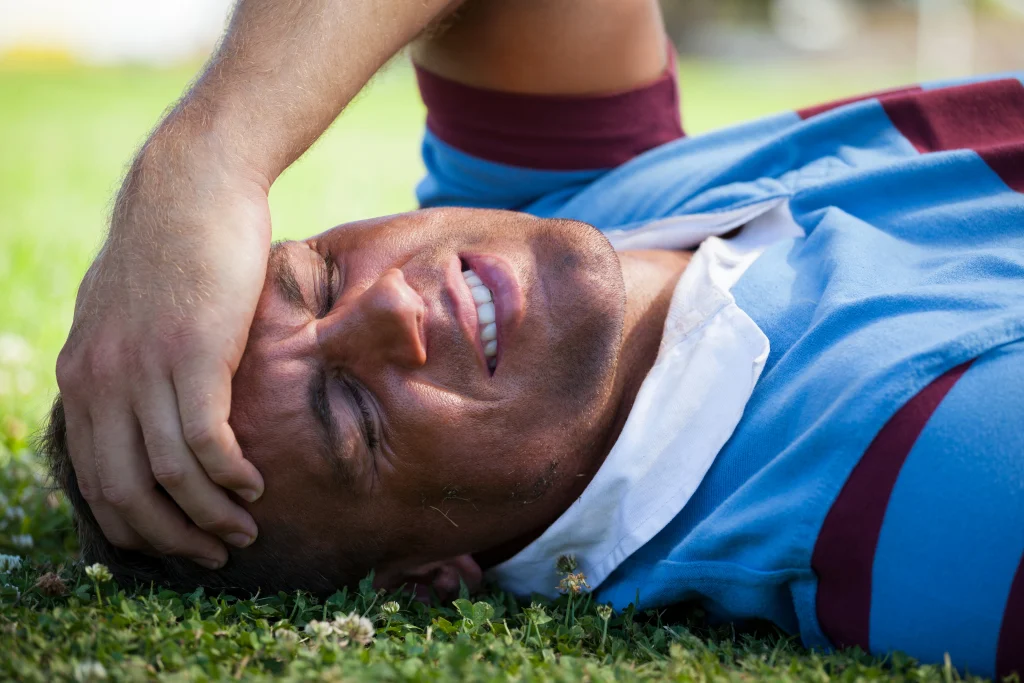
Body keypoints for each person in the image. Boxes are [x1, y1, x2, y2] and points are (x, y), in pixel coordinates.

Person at [44, 0, 1024, 677]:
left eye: (319, 277)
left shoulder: (559, 201)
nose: (389, 311)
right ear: (425, 577)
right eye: (351, 408)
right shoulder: (907, 501)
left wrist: (206, 161)